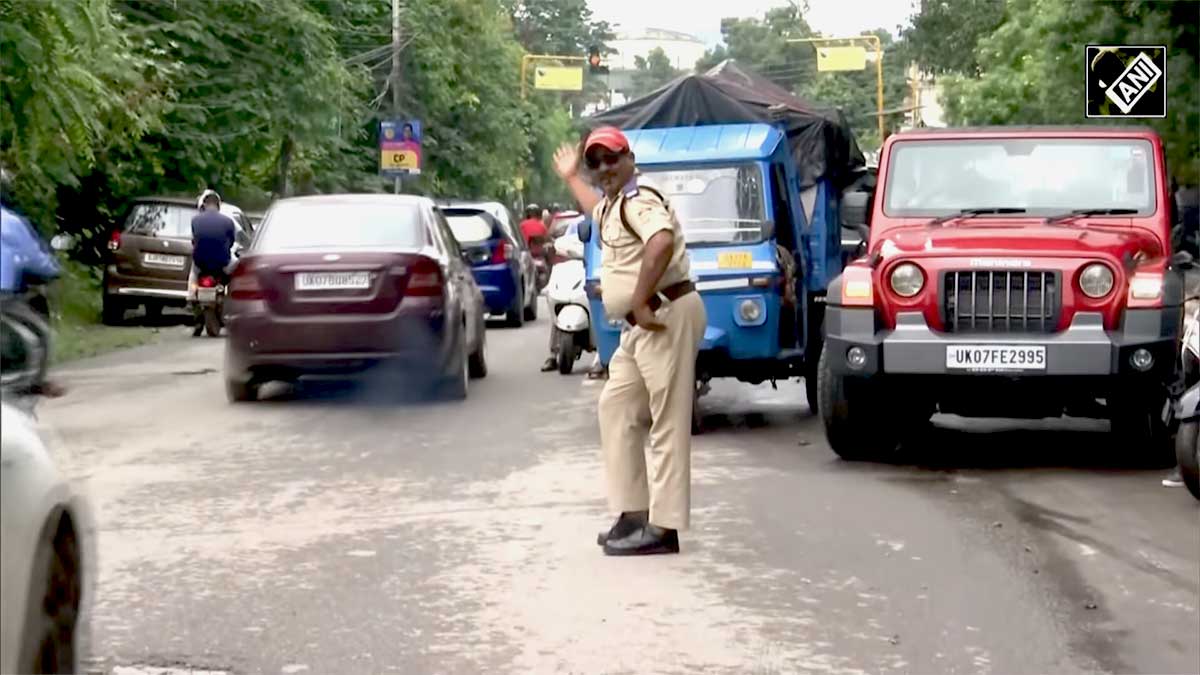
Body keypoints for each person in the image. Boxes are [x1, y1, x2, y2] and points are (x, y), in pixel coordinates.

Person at [553, 126, 705, 556]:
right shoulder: (617, 204)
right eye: (595, 161)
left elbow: (661, 241)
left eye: (611, 158)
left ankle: (664, 528)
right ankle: (633, 513)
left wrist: (638, 299)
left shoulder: (641, 198)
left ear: (630, 158)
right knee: (616, 406)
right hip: (641, 324)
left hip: (663, 314)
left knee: (667, 422)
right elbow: (594, 211)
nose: (604, 168)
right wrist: (571, 177)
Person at [1, 169, 66, 397]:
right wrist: (53, 270)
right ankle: (36, 382)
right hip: (4, 296)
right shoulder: (10, 223)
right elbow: (36, 259)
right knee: (40, 333)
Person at [189, 189, 237, 336]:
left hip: (201, 264)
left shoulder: (195, 220)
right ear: (218, 205)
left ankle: (192, 301)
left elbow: (194, 240)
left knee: (192, 277)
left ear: (204, 205)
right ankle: (233, 302)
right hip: (222, 264)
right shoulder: (228, 222)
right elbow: (231, 242)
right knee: (236, 274)